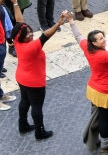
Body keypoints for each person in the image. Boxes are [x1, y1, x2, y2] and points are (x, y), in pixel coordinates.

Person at [11, 8, 71, 140]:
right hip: (34, 81)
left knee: (24, 101)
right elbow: (45, 36)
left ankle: (23, 124)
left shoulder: (17, 40)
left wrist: (15, 3)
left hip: (21, 77)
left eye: (30, 31)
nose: (31, 34)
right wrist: (58, 24)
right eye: (27, 34)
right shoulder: (31, 47)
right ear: (21, 36)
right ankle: (40, 131)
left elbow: (19, 21)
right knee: (37, 107)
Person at [70, 21, 108, 152]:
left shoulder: (87, 48)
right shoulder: (104, 55)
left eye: (103, 36)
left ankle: (96, 138)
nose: (104, 39)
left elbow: (78, 36)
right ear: (94, 43)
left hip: (94, 88)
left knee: (98, 114)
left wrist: (71, 21)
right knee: (103, 118)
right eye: (100, 39)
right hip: (105, 91)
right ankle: (105, 144)